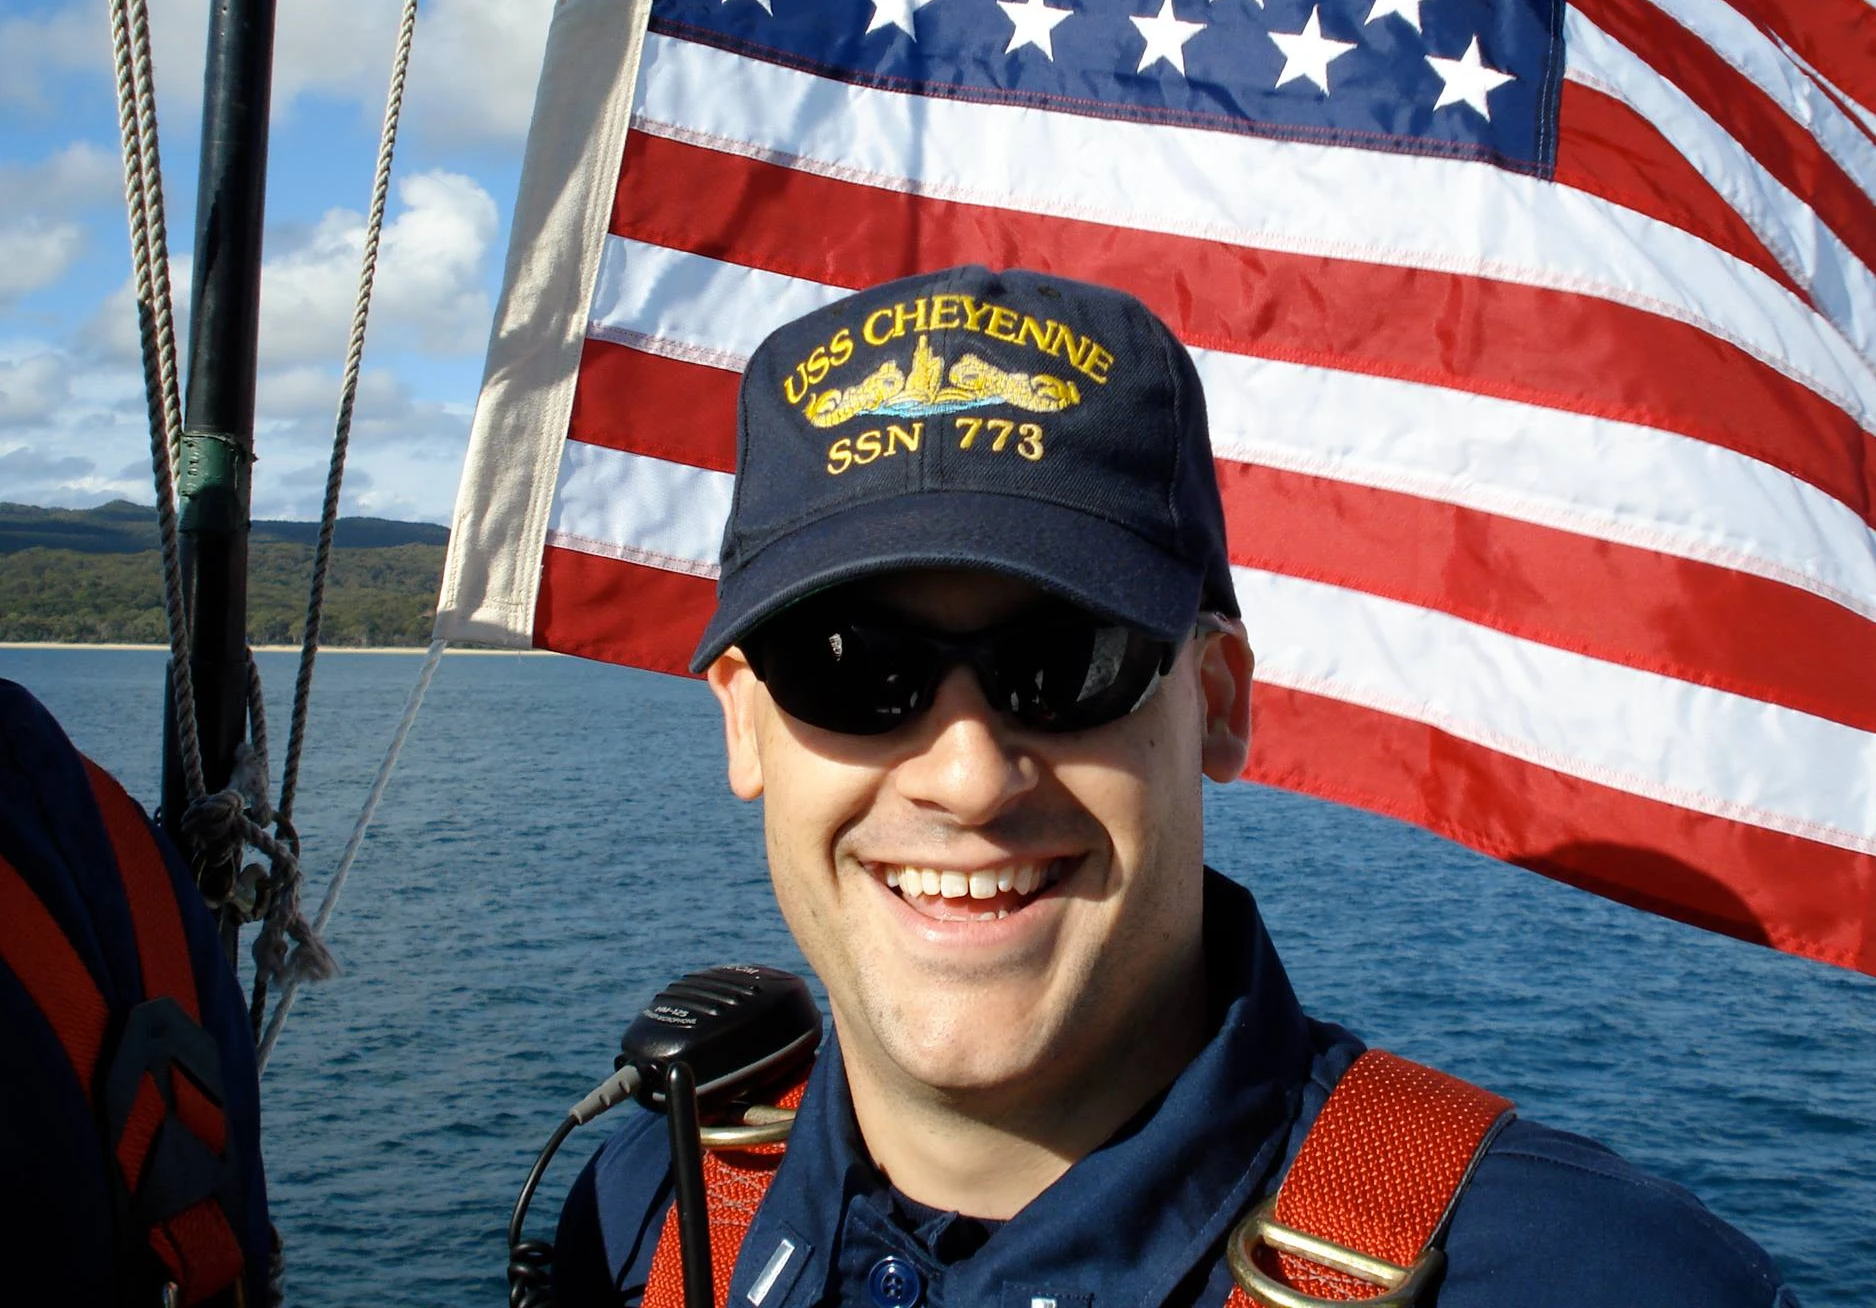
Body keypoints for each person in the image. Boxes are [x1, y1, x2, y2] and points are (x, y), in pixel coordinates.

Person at [552, 264, 1798, 1307]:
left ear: (1217, 699)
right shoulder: (647, 1223)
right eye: (849, 668)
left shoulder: (1588, 1283)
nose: (967, 773)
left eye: (1066, 662)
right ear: (744, 722)